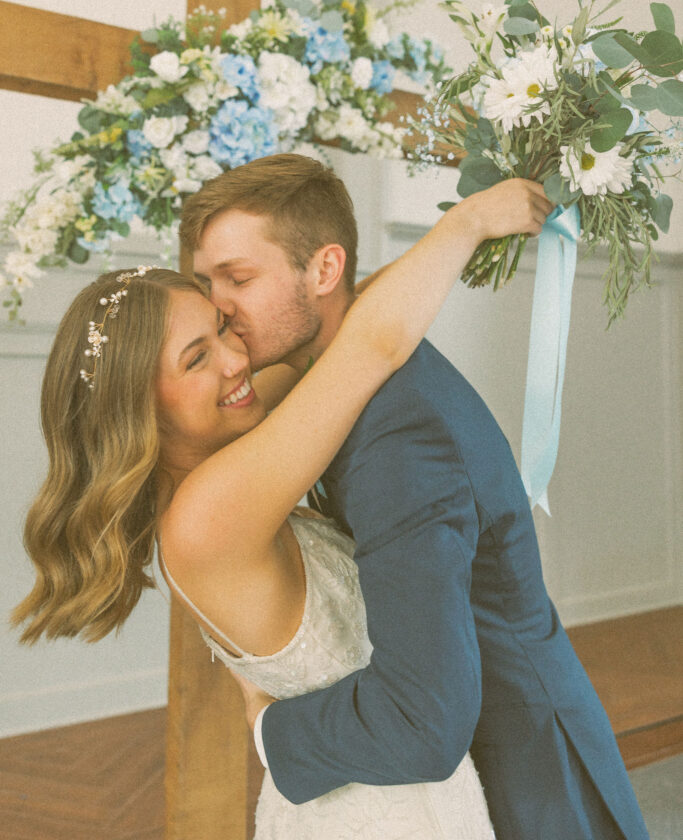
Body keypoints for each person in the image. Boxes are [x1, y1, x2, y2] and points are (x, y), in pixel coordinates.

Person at [13, 176, 550, 839]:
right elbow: (368, 348)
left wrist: (327, 277)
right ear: (139, 412)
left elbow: (327, 337)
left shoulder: (218, 450)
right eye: (196, 358)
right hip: (372, 811)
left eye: (221, 328)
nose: (236, 357)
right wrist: (466, 221)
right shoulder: (208, 514)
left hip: (371, 775)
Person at [180, 153, 649, 840]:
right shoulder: (337, 371)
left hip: (517, 764)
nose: (218, 308)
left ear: (323, 270)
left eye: (239, 278)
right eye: (204, 282)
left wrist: (269, 728)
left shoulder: (397, 441)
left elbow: (424, 720)